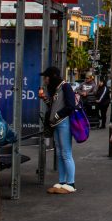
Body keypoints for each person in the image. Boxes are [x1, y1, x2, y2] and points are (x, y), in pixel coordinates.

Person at [40, 66, 78, 194]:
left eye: (46, 77)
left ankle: (71, 182)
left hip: (63, 123)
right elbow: (54, 105)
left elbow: (71, 106)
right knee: (60, 153)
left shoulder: (65, 87)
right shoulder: (56, 89)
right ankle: (62, 181)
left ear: (52, 77)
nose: (45, 80)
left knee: (66, 153)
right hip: (56, 124)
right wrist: (45, 99)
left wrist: (57, 115)